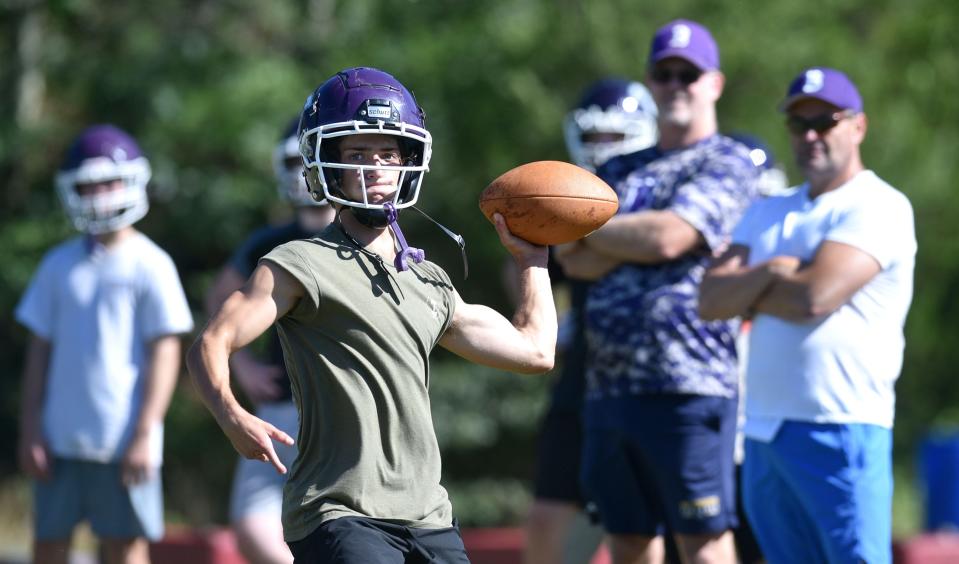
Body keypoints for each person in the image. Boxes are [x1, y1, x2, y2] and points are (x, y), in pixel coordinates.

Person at [186, 66, 558, 563]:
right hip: (339, 512)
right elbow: (210, 343)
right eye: (358, 154)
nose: (376, 167)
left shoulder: (431, 282)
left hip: (429, 518)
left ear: (410, 159)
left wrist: (532, 260)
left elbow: (535, 351)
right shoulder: (299, 263)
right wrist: (232, 416)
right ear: (327, 166)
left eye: (387, 152)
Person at [555, 19, 760, 563]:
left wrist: (599, 232)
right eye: (665, 74)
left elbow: (672, 237)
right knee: (628, 539)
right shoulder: (619, 168)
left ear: (713, 83)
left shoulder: (727, 161)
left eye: (688, 75)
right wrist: (631, 236)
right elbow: (571, 258)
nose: (676, 85)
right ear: (650, 82)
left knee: (704, 541)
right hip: (608, 388)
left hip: (690, 386)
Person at [700, 67, 916, 564]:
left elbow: (813, 298)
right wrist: (776, 269)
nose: (811, 135)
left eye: (825, 121)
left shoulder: (879, 205)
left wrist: (750, 291)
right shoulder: (767, 210)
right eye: (800, 125)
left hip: (842, 425)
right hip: (763, 431)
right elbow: (710, 301)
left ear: (858, 126)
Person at [16, 124, 194, 564]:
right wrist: (30, 429)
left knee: (125, 548)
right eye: (88, 185)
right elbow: (39, 353)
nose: (98, 195)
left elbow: (166, 353)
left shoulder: (152, 264)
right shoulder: (57, 264)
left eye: (108, 182)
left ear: (133, 181)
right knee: (48, 544)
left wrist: (144, 433)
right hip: (59, 441)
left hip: (124, 441)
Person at [523, 77, 658, 564]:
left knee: (642, 530)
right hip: (584, 373)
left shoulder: (658, 188)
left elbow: (660, 245)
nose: (600, 147)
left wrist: (588, 238)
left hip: (651, 373)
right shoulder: (571, 194)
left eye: (613, 136)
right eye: (594, 136)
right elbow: (547, 267)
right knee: (545, 521)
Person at [204, 118, 335, 564]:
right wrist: (241, 367)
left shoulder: (363, 234)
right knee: (251, 526)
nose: (301, 171)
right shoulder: (270, 241)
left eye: (308, 159)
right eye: (292, 161)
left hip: (344, 411)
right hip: (281, 409)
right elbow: (216, 303)